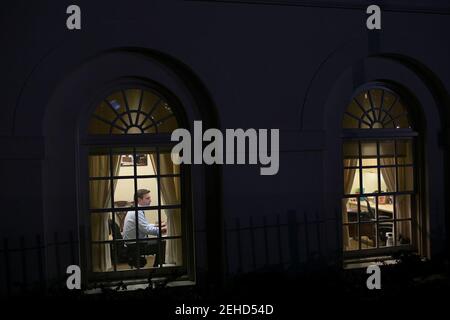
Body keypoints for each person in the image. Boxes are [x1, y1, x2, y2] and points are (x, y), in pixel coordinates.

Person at [122, 189, 167, 268]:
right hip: (135, 245)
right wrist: (163, 230)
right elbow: (146, 229)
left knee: (160, 241)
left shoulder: (135, 209)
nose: (150, 200)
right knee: (163, 243)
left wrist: (157, 226)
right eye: (147, 198)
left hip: (132, 244)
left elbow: (144, 226)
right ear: (139, 200)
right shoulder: (137, 211)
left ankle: (157, 266)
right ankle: (157, 268)